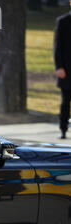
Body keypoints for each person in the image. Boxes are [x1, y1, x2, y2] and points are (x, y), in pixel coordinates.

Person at [53, 1, 71, 139]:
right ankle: (63, 129)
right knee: (66, 102)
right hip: (66, 71)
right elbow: (57, 46)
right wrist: (59, 67)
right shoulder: (63, 21)